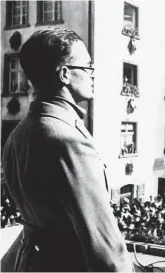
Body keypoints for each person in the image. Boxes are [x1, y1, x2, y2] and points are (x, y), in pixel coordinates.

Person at [1, 28, 132, 272]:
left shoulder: (18, 135)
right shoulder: (68, 140)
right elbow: (106, 247)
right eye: (88, 68)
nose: (92, 75)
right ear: (64, 74)